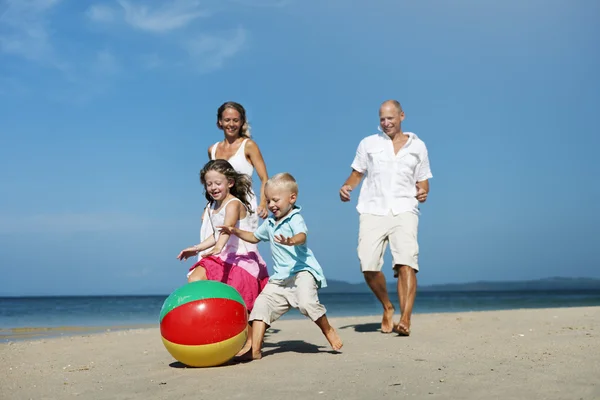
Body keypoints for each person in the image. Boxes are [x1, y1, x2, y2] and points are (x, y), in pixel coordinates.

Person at [218, 173, 343, 360]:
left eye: (275, 200)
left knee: (307, 303)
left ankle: (328, 330)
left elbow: (302, 236)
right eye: (268, 201)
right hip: (280, 278)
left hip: (302, 272)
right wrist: (235, 230)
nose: (271, 205)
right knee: (260, 306)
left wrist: (292, 241)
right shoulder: (269, 224)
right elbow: (254, 237)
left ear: (292, 198)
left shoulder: (294, 218)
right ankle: (255, 350)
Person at [339, 99, 432, 336]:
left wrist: (423, 192)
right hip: (373, 209)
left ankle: (406, 319)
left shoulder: (418, 146)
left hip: (405, 209)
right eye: (382, 118)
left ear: (402, 116)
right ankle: (387, 306)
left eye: (390, 118)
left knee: (407, 262)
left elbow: (423, 180)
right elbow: (356, 174)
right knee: (368, 264)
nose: (386, 122)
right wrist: (347, 187)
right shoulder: (368, 143)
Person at [177, 159, 270, 354]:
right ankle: (213, 327)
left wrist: (219, 247)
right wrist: (196, 248)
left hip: (241, 258)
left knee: (242, 300)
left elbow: (227, 230)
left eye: (217, 183)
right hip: (223, 255)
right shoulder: (212, 206)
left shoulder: (233, 204)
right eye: (209, 184)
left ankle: (251, 342)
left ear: (230, 182)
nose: (213, 187)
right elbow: (215, 233)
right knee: (195, 278)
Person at [199, 102, 269, 257]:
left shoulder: (248, 145)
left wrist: (264, 203)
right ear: (220, 122)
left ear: (242, 122)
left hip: (244, 205)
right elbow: (213, 181)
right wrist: (206, 208)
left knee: (241, 252)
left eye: (235, 120)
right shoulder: (213, 149)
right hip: (218, 207)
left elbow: (264, 177)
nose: (231, 124)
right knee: (211, 251)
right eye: (227, 120)